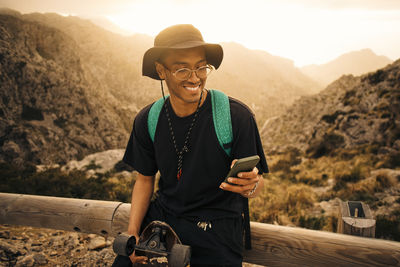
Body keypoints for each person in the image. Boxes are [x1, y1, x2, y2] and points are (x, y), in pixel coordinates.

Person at [112, 24, 268, 266]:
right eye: (182, 69)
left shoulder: (236, 117)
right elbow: (144, 179)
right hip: (164, 218)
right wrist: (133, 232)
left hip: (218, 228)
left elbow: (257, 186)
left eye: (201, 67)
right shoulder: (148, 120)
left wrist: (251, 185)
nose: (195, 77)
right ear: (161, 70)